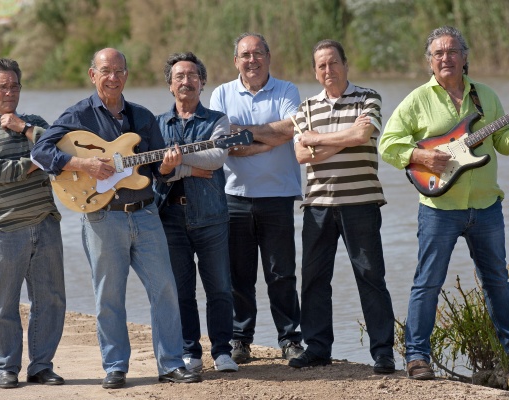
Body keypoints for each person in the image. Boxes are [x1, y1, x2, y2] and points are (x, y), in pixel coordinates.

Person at [378, 26, 509, 380]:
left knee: (497, 280)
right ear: (430, 61)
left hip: (486, 206)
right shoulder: (417, 100)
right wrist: (421, 157)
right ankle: (417, 356)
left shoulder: (484, 96)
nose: (446, 58)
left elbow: (503, 142)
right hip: (439, 210)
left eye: (452, 51)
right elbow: (388, 143)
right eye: (438, 53)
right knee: (428, 282)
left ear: (464, 57)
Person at [31, 48, 201, 387]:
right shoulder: (77, 115)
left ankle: (170, 364)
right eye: (106, 71)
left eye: (119, 71)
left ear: (127, 74)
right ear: (92, 75)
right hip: (102, 218)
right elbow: (40, 151)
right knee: (109, 296)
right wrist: (83, 164)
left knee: (165, 289)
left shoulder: (142, 117)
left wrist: (168, 165)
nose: (113, 77)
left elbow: (159, 171)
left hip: (146, 214)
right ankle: (115, 367)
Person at [288, 40, 396, 374]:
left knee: (370, 276)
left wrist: (317, 139)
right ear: (315, 72)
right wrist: (345, 137)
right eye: (321, 65)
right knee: (314, 279)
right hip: (318, 205)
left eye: (333, 62)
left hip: (361, 202)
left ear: (346, 64)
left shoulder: (368, 97)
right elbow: (301, 155)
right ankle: (317, 348)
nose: (328, 70)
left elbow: (363, 135)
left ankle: (383, 353)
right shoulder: (306, 108)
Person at [0, 58, 66, 389]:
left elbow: (63, 150)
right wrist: (37, 160)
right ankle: (6, 368)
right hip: (4, 230)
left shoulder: (34, 123)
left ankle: (41, 366)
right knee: (3, 304)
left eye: (15, 86)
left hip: (45, 224)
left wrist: (24, 128)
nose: (9, 92)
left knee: (51, 300)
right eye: (2, 86)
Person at [209, 33, 304, 363]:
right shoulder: (221, 94)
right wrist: (269, 139)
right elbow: (222, 143)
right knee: (239, 275)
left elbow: (291, 129)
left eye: (258, 53)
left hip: (278, 195)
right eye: (245, 55)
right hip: (234, 196)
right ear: (236, 61)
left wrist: (245, 132)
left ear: (268, 56)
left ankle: (290, 339)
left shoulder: (287, 90)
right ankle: (240, 340)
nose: (252, 60)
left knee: (282, 274)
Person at [155, 52, 238, 373]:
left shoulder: (218, 120)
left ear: (202, 82)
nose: (186, 81)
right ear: (170, 85)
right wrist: (187, 169)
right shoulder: (157, 124)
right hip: (170, 219)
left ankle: (223, 352)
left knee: (220, 289)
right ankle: (190, 351)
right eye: (179, 76)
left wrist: (174, 162)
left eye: (192, 76)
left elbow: (216, 158)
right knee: (181, 291)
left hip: (211, 217)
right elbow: (154, 170)